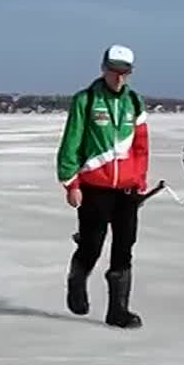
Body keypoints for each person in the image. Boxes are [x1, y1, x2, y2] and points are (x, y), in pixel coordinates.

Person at [55, 44, 150, 329]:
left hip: (127, 189)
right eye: (113, 71)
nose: (118, 78)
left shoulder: (135, 102)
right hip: (94, 187)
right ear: (103, 68)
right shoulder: (85, 100)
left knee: (124, 247)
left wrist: (140, 180)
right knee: (92, 244)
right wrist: (71, 183)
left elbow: (141, 146)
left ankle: (118, 310)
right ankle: (77, 279)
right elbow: (70, 142)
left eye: (124, 72)